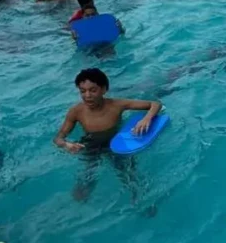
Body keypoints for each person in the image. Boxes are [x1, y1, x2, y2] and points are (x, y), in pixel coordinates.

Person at [53, 68, 162, 201]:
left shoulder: (117, 105)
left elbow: (155, 104)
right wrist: (66, 144)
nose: (87, 95)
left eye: (93, 90)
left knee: (129, 175)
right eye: (82, 91)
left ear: (104, 89)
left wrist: (146, 118)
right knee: (85, 182)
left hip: (115, 143)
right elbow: (58, 137)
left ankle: (141, 200)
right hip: (90, 144)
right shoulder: (76, 111)